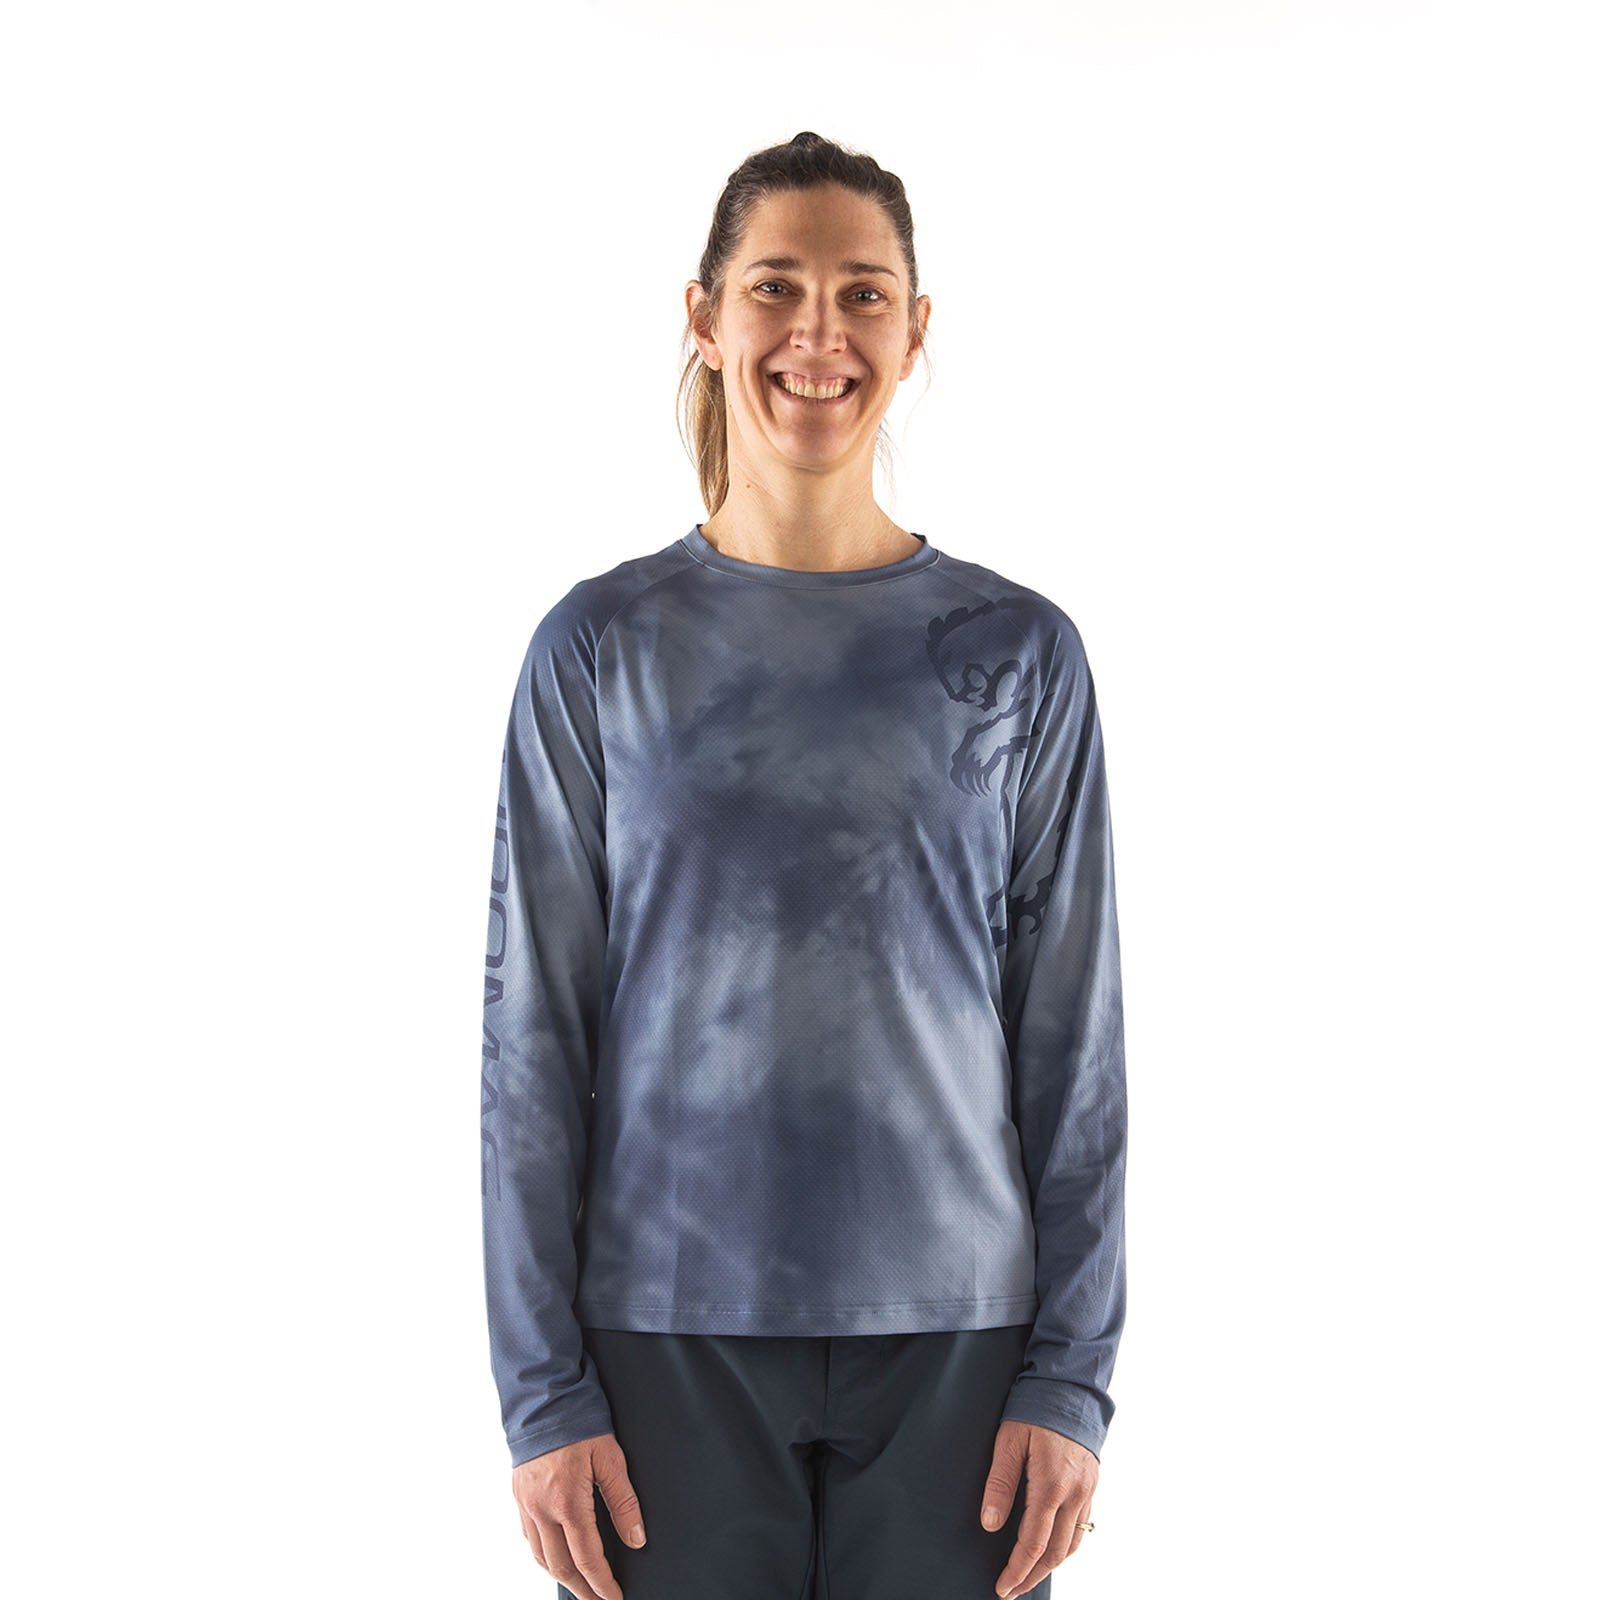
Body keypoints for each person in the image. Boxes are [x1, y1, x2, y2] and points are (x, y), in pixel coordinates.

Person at [480, 131, 1129, 1600]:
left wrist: (1072, 1376)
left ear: (915, 328)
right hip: (663, 1338)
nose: (818, 334)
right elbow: (531, 1043)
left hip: (962, 1351)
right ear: (704, 318)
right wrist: (542, 1394)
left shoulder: (1020, 656)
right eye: (775, 286)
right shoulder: (600, 650)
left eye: (863, 294)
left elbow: (1073, 1041)